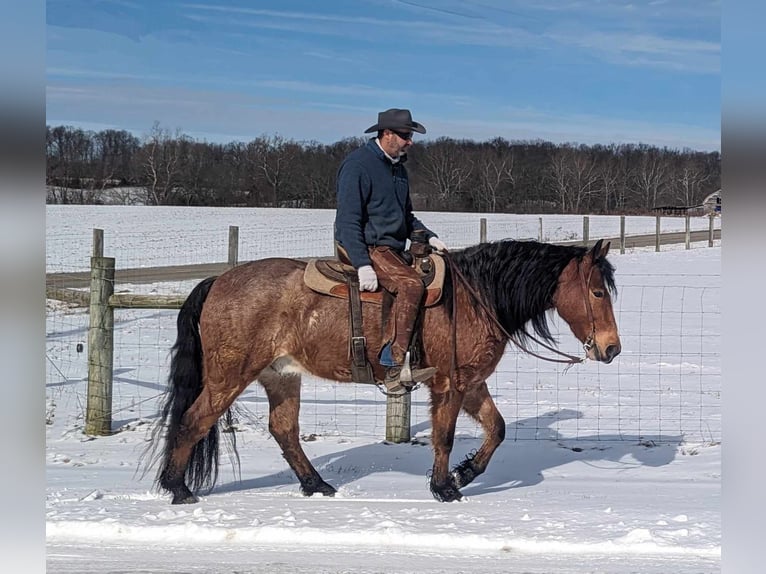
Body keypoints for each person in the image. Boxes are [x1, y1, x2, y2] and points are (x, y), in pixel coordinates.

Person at [334, 108, 448, 387]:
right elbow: (348, 221)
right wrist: (362, 264)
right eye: (406, 136)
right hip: (367, 245)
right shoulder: (358, 166)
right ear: (387, 134)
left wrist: (428, 236)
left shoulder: (397, 169)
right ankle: (393, 362)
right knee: (411, 285)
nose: (410, 142)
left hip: (391, 249)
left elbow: (405, 215)